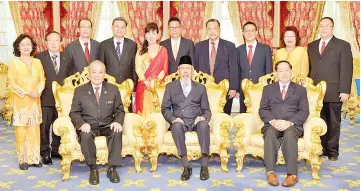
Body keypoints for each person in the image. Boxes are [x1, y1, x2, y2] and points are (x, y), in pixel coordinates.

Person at [69, 60, 124, 185]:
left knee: (116, 131)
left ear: (105, 74)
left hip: (107, 124)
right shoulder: (80, 90)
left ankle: (112, 168)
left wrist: (117, 122)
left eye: (100, 72)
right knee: (86, 135)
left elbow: (120, 111)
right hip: (89, 126)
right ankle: (93, 168)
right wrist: (82, 124)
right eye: (94, 72)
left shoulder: (113, 89)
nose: (97, 75)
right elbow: (74, 112)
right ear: (89, 74)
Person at [308, 17, 353, 161]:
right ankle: (320, 148)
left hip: (334, 91)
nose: (323, 29)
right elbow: (310, 69)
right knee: (318, 121)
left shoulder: (342, 45)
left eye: (327, 26)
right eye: (321, 26)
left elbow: (346, 69)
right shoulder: (311, 45)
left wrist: (345, 90)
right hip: (315, 92)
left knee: (333, 122)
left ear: (332, 28)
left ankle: (333, 151)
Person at [259, 60, 309, 187]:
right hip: (273, 123)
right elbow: (263, 109)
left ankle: (292, 174)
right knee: (269, 133)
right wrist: (273, 121)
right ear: (276, 73)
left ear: (291, 71)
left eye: (287, 70)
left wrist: (290, 122)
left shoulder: (300, 90)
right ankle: (270, 172)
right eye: (280, 70)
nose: (284, 73)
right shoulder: (268, 89)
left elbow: (304, 111)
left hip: (292, 125)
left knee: (289, 134)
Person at [162, 55, 211, 181]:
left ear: (192, 71)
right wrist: (173, 119)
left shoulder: (200, 88)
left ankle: (205, 166)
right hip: (180, 120)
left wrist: (203, 118)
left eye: (188, 69)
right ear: (178, 71)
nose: (185, 71)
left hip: (196, 120)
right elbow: (165, 108)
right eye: (182, 69)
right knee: (176, 127)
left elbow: (207, 110)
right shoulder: (170, 87)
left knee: (204, 125)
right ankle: (186, 166)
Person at [7, 34, 46, 170]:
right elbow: (11, 82)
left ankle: (34, 158)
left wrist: (38, 92)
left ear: (32, 46)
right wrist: (27, 92)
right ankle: (23, 159)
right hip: (21, 102)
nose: (26, 47)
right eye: (23, 44)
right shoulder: (14, 63)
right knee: (22, 130)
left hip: (35, 101)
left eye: (28, 44)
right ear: (18, 47)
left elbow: (42, 79)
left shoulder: (37, 62)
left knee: (34, 129)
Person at [35, 31, 71, 164]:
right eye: (51, 41)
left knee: (60, 125)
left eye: (57, 40)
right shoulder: (38, 57)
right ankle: (44, 152)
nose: (54, 43)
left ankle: (56, 150)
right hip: (45, 98)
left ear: (61, 42)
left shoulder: (67, 57)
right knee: (44, 126)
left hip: (62, 100)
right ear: (46, 42)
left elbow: (70, 78)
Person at [195, 19, 238, 115]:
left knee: (223, 117)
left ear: (219, 30)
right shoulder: (199, 46)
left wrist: (233, 87)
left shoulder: (229, 46)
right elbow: (196, 68)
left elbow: (234, 67)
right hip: (204, 88)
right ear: (206, 30)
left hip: (224, 89)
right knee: (204, 117)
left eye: (215, 28)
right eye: (209, 29)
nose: (212, 31)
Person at [236, 21, 273, 113]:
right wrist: (237, 89)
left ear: (256, 32)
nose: (249, 33)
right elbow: (236, 71)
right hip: (244, 89)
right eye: (247, 31)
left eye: (252, 30)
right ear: (243, 33)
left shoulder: (265, 49)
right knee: (244, 116)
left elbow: (269, 70)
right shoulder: (238, 50)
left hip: (260, 88)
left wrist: (268, 88)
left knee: (260, 113)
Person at [135, 22, 168, 117]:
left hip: (158, 86)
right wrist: (146, 81)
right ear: (145, 35)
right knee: (144, 113)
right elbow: (138, 68)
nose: (151, 36)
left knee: (157, 113)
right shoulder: (140, 51)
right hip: (143, 85)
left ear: (158, 35)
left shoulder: (163, 50)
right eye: (148, 33)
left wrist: (155, 82)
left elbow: (164, 69)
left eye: (153, 33)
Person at [99, 17, 138, 85]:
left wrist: (134, 86)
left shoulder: (132, 45)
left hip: (127, 85)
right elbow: (101, 66)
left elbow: (134, 67)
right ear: (112, 28)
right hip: (109, 84)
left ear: (126, 29)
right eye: (117, 26)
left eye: (122, 27)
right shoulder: (103, 45)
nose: (119, 29)